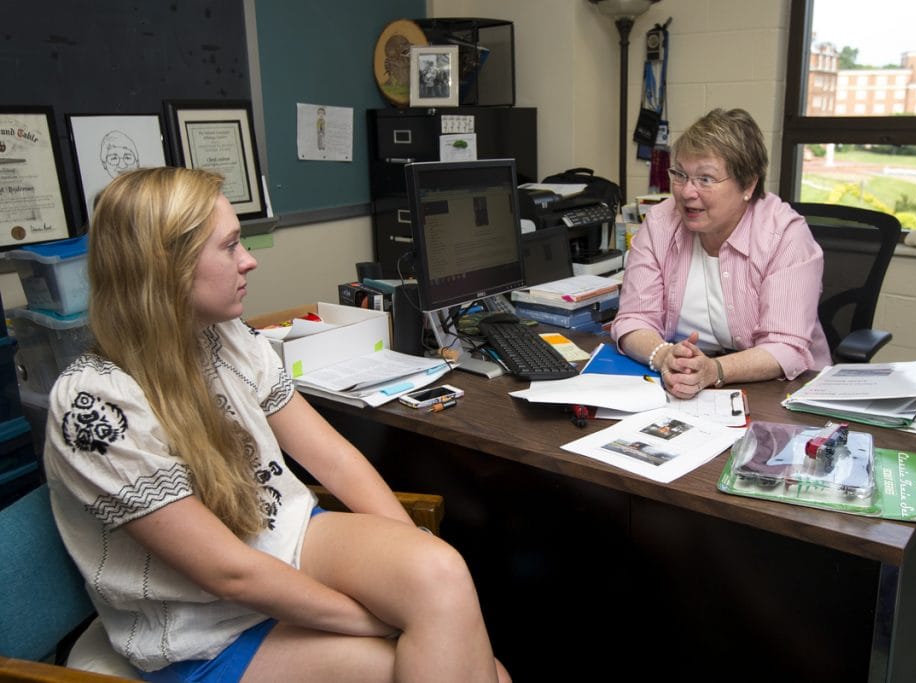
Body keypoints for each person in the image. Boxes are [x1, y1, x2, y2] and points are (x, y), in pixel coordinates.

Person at [43, 167, 511, 683]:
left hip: (286, 541)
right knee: (430, 665)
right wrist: (373, 622)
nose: (250, 260)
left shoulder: (228, 336)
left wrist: (417, 557)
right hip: (203, 628)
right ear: (166, 267)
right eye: (230, 247)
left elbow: (334, 458)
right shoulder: (94, 403)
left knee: (443, 577)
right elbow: (228, 573)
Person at [611, 108, 830, 399]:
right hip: (679, 387)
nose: (687, 192)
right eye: (680, 175)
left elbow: (785, 347)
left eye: (705, 179)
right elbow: (633, 318)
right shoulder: (661, 223)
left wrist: (713, 370)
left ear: (748, 185)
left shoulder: (785, 235)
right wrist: (665, 356)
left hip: (779, 393)